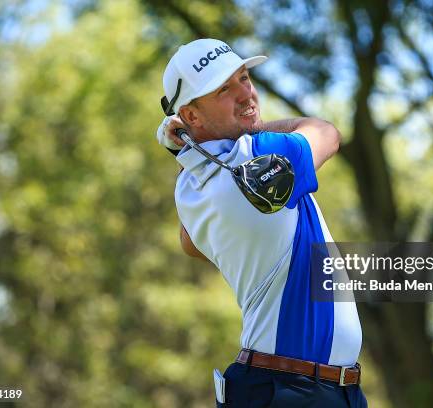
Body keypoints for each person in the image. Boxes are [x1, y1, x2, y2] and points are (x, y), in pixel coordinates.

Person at [156, 38, 366, 407]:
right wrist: (248, 128)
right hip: (293, 389)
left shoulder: (188, 189)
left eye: (243, 77)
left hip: (293, 387)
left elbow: (191, 244)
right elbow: (325, 132)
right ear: (189, 116)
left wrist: (189, 150)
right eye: (224, 89)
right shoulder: (259, 154)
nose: (245, 94)